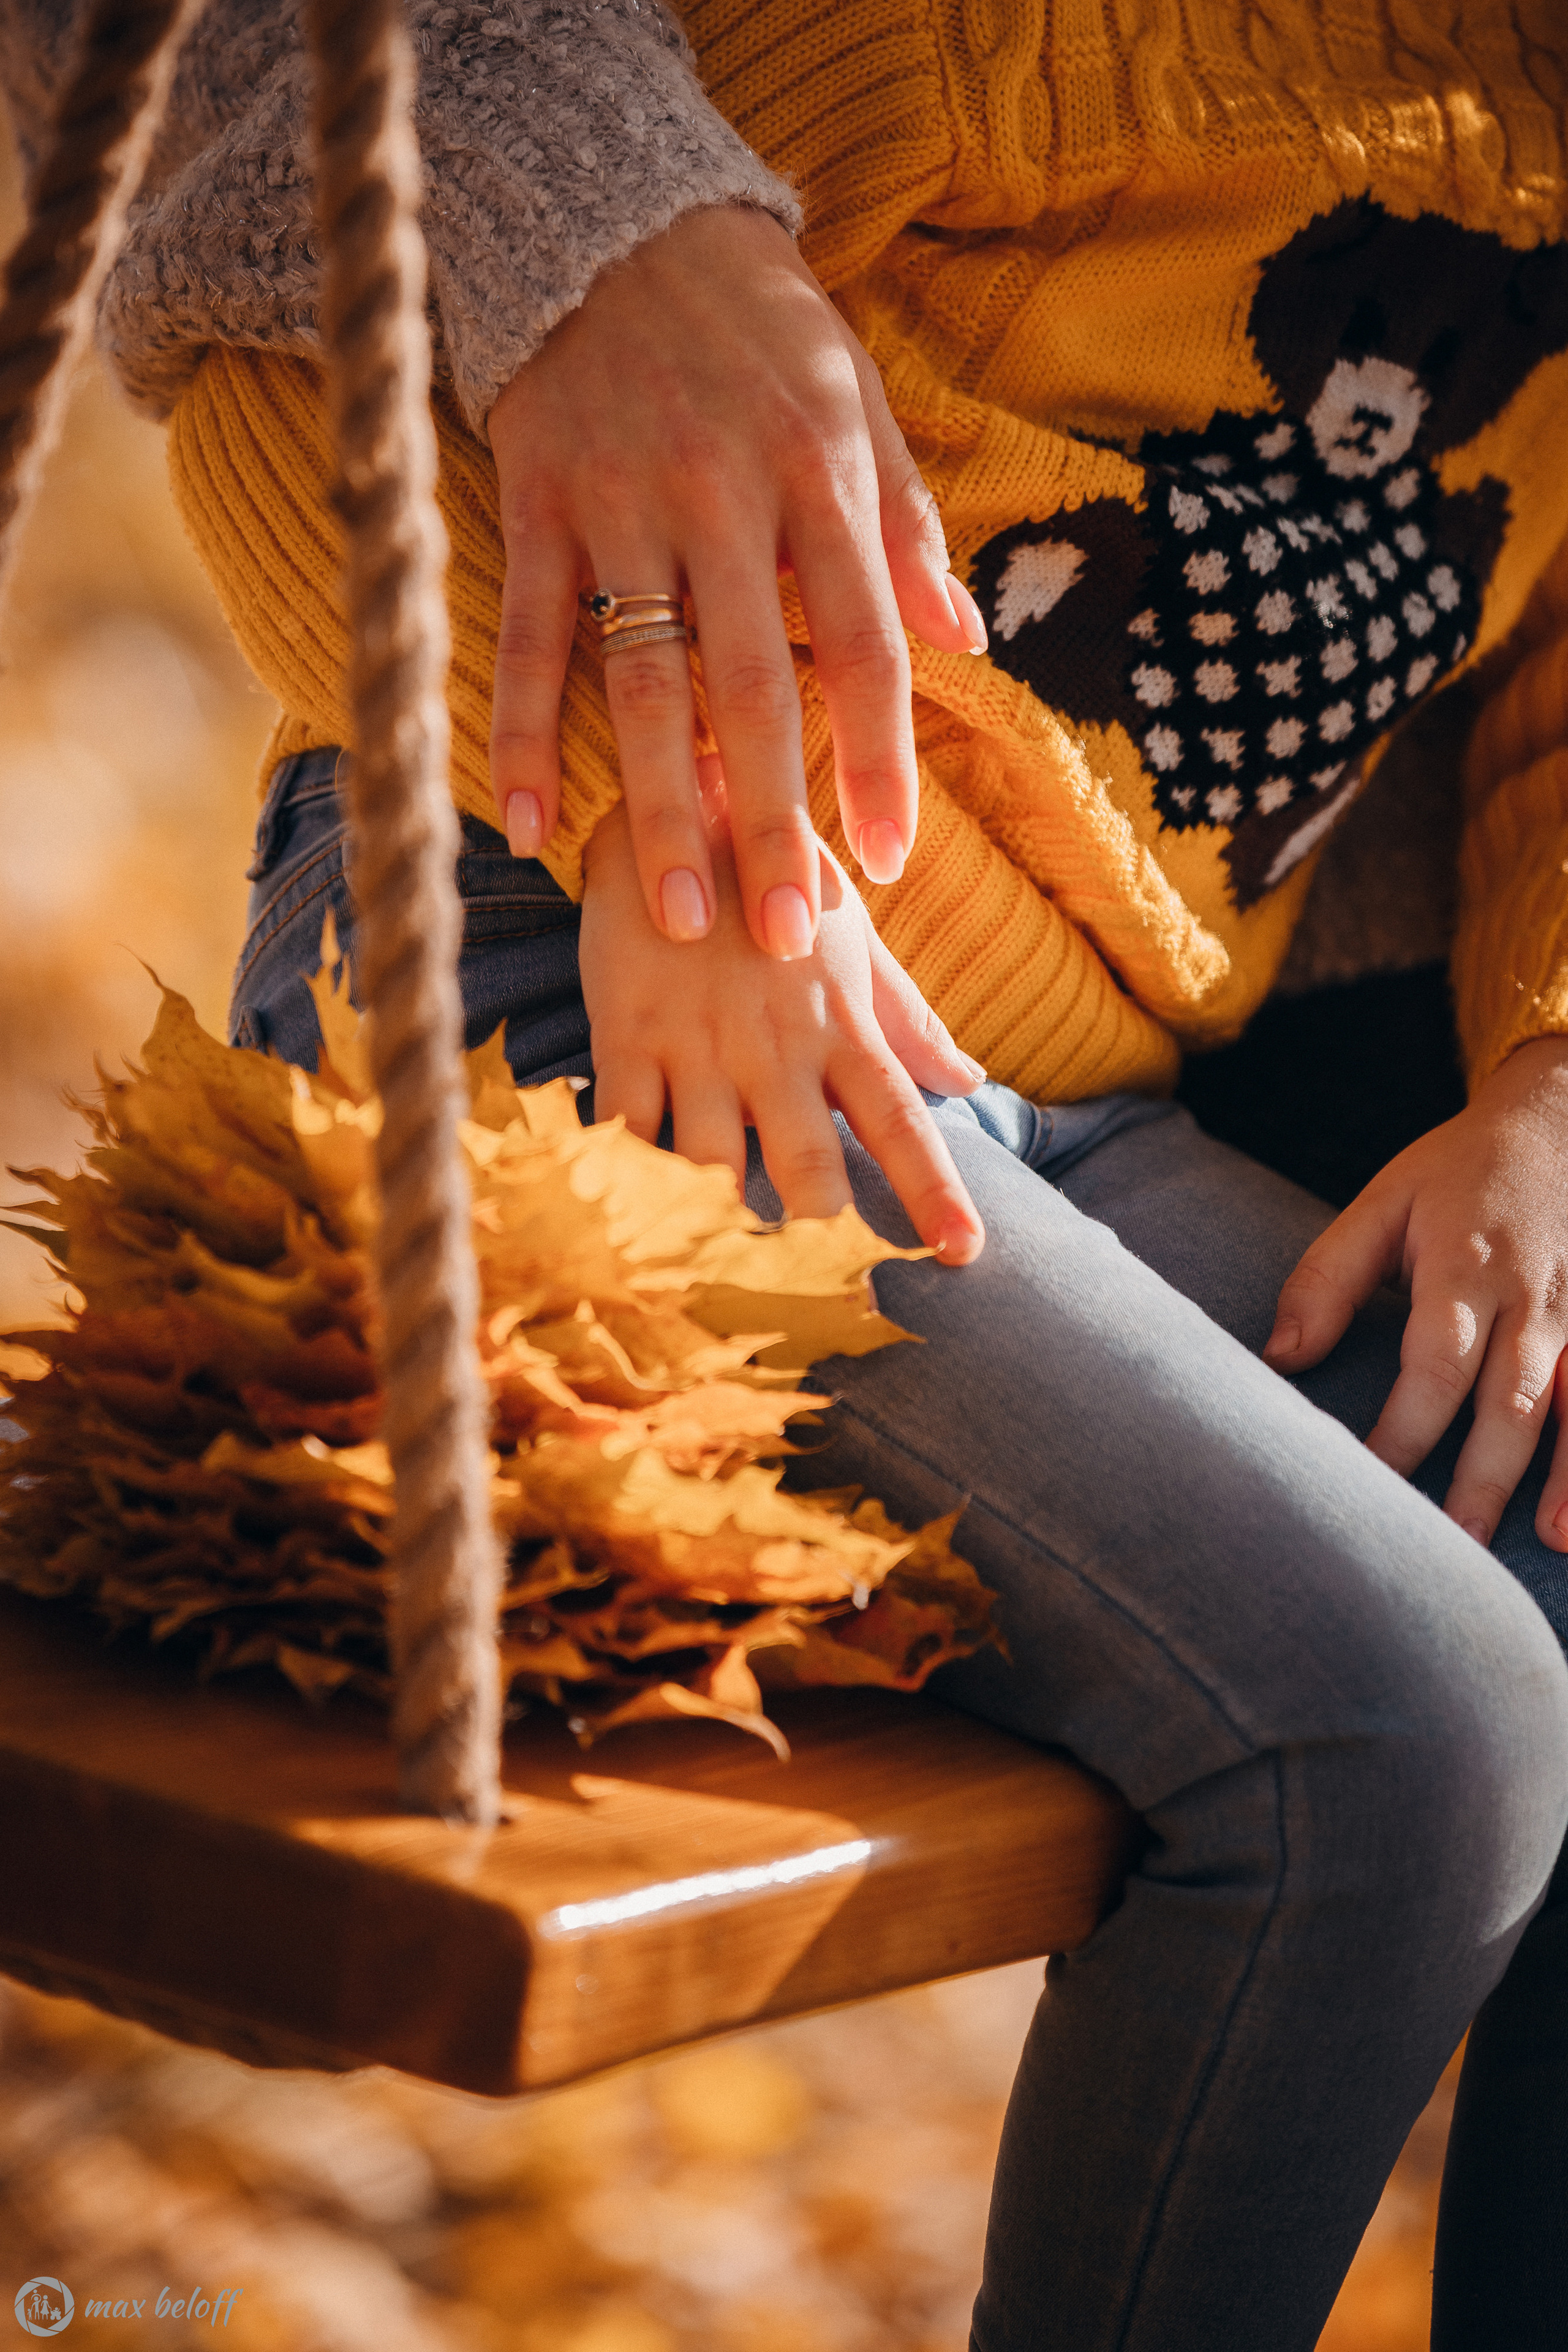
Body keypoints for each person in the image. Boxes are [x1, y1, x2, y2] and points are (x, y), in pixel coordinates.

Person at [4, 3, 1568, 2344]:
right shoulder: (962, 44)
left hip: (1069, 1114)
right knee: (1408, 1729)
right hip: (584, 980)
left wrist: (1547, 1063)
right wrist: (676, 821)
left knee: (1548, 1548)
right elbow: (321, 354)